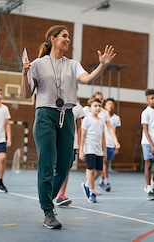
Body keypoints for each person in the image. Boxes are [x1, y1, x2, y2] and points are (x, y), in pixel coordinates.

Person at [21, 25, 116, 229]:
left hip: (67, 116)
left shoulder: (73, 64)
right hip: (45, 115)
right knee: (47, 163)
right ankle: (48, 210)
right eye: (64, 36)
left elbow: (88, 78)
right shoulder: (38, 64)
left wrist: (102, 65)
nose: (68, 39)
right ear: (53, 39)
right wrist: (24, 74)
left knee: (64, 166)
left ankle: (47, 200)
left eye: (69, 36)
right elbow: (27, 93)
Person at [82, 91, 120, 192]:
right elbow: (80, 126)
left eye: (102, 99)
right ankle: (91, 188)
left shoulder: (105, 113)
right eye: (98, 98)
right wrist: (80, 147)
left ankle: (88, 184)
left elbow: (110, 128)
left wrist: (116, 142)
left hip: (101, 142)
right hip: (89, 143)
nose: (101, 101)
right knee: (91, 168)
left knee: (100, 168)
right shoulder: (86, 110)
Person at [55, 101, 84, 206]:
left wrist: (80, 144)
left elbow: (80, 127)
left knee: (66, 168)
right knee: (56, 167)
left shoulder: (77, 107)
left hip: (72, 142)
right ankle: (53, 193)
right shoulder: (56, 102)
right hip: (57, 140)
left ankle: (61, 194)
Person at [79, 97, 106, 203]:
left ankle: (87, 184)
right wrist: (81, 150)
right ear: (90, 108)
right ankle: (91, 192)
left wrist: (104, 151)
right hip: (89, 148)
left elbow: (103, 137)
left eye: (99, 106)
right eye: (95, 106)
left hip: (98, 149)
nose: (98, 108)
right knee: (91, 170)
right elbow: (83, 136)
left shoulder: (102, 122)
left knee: (99, 171)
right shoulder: (87, 120)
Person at [101, 98, 121, 191]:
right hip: (102, 142)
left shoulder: (116, 118)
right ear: (105, 105)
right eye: (108, 104)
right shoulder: (101, 115)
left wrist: (116, 144)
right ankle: (106, 181)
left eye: (112, 104)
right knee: (104, 161)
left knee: (106, 161)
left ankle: (102, 180)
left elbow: (117, 132)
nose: (110, 106)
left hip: (111, 143)